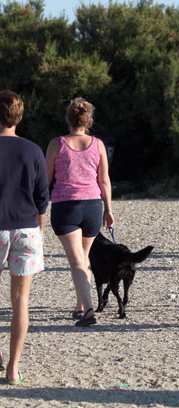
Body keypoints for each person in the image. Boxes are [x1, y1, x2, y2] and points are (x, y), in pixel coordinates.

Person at [46, 97, 114, 326]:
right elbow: (104, 181)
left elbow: (45, 179)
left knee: (76, 261)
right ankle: (80, 305)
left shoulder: (57, 144)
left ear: (69, 118)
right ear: (88, 120)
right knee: (83, 258)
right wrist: (109, 210)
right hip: (93, 206)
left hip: (66, 206)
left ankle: (89, 311)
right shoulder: (98, 144)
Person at [0, 90, 49, 384]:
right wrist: (39, 229)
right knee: (21, 300)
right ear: (20, 117)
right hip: (27, 228)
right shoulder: (32, 150)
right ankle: (13, 368)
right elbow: (42, 196)